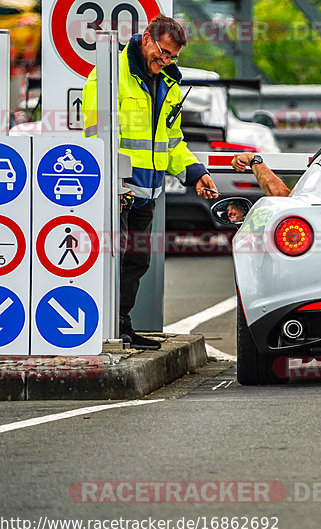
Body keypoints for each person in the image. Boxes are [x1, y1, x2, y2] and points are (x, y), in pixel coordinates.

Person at [82, 15, 218, 350]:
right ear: (146, 39)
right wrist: (110, 181)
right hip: (117, 190)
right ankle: (105, 328)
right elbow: (92, 135)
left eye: (173, 56)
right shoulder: (110, 76)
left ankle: (122, 325)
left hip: (148, 192)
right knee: (112, 260)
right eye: (163, 52)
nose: (166, 60)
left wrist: (196, 173)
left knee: (136, 260)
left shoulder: (168, 84)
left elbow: (172, 143)